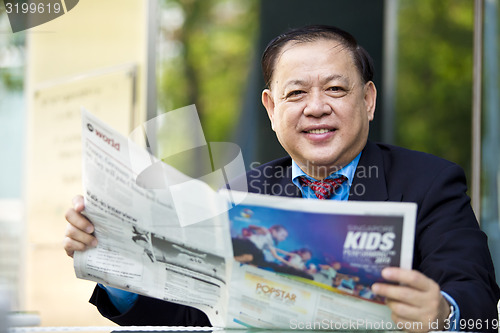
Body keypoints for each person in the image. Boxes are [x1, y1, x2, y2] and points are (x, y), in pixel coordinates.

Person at [64, 25, 500, 332]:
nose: (315, 107)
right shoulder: (239, 193)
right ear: (272, 109)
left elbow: (482, 303)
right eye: (296, 93)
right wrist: (116, 266)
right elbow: (195, 315)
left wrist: (444, 314)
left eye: (335, 89)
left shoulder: (431, 182)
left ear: (367, 100)